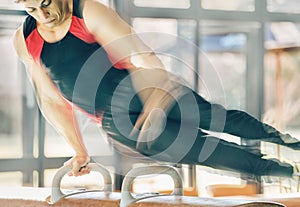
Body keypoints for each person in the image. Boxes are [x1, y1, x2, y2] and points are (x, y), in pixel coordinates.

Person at [13, 0, 300, 179]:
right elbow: (50, 99)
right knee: (205, 151)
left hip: (145, 88)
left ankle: (291, 143)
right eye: (31, 8)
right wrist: (79, 150)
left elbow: (141, 53)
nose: (43, 14)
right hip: (117, 122)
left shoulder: (88, 11)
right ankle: (289, 172)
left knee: (217, 119)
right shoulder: (25, 39)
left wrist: (154, 102)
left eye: (46, 3)